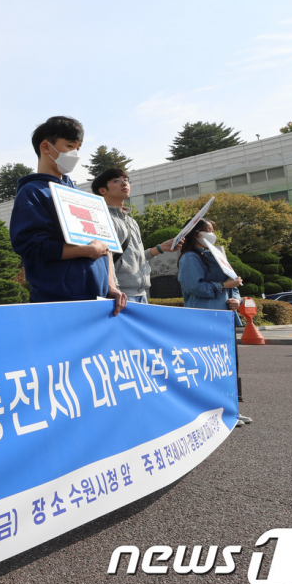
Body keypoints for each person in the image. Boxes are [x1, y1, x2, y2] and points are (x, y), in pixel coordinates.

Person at [9, 117, 126, 314]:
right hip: (58, 303)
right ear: (45, 147)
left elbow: (105, 247)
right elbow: (32, 247)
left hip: (99, 300)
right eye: (70, 146)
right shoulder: (33, 192)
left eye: (78, 148)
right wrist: (85, 250)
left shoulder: (82, 196)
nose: (75, 154)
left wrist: (111, 287)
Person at [176, 218, 252, 426]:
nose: (211, 234)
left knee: (226, 367)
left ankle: (230, 410)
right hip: (204, 317)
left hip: (224, 317)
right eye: (207, 230)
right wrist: (224, 285)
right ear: (195, 234)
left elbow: (234, 282)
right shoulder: (190, 258)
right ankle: (209, 411)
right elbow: (194, 286)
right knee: (207, 367)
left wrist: (236, 299)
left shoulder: (217, 255)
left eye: (212, 230)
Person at [91, 167, 182, 303]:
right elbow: (105, 258)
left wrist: (160, 248)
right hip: (121, 296)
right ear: (103, 190)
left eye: (126, 180)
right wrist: (114, 290)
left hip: (141, 294)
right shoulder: (102, 218)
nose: (124, 183)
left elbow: (134, 258)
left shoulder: (131, 221)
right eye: (117, 180)